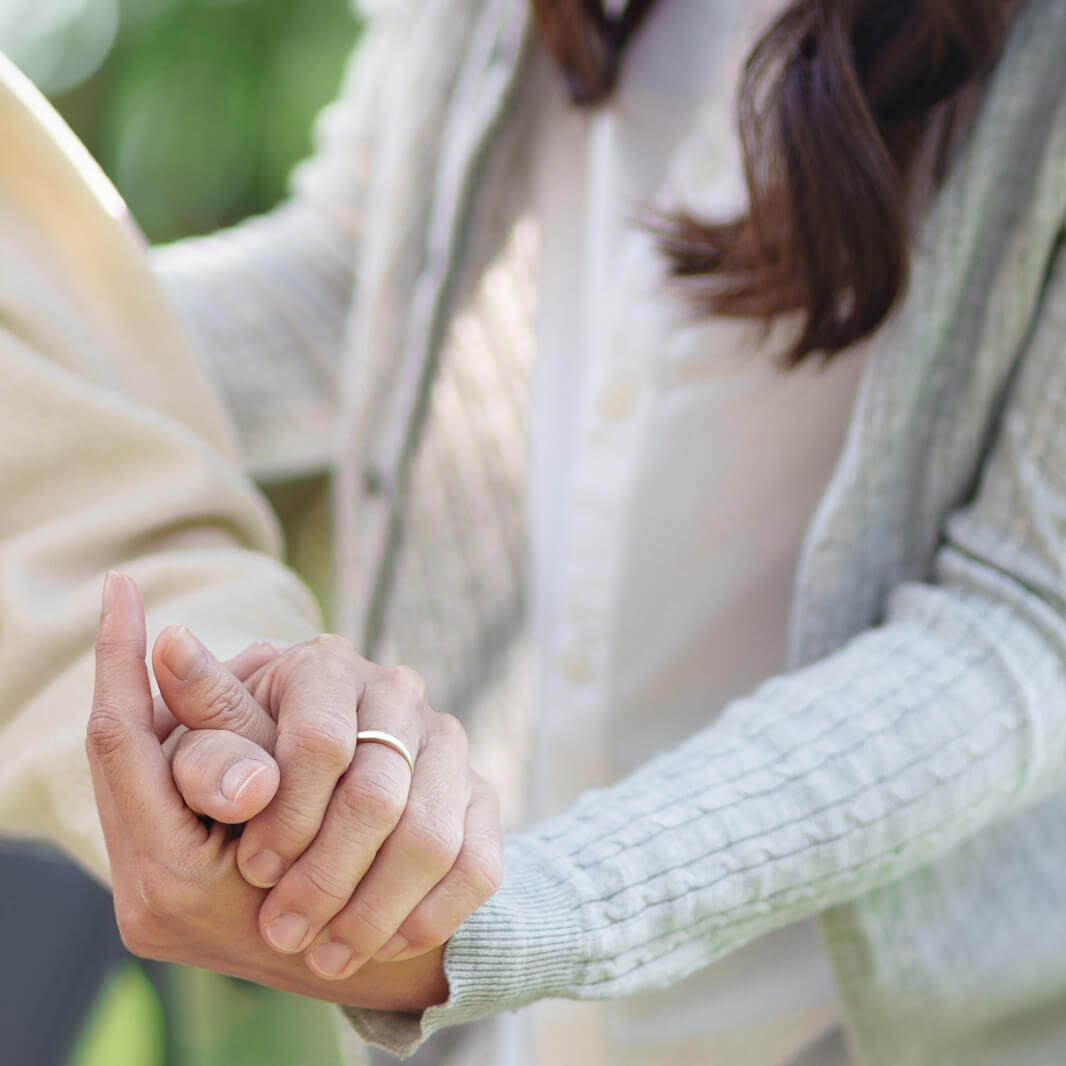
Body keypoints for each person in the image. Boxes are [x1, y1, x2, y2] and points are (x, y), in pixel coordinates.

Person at [3, 2, 1066, 1066]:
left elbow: (1026, 609)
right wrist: (48, 369)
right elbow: (369, 271)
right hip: (493, 1023)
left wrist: (506, 914)